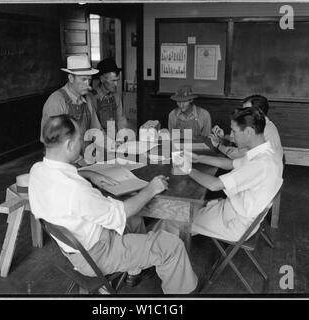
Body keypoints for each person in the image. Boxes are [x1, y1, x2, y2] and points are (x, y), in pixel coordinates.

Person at [29, 114, 199, 294]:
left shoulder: (37, 171)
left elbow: (64, 179)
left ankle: (136, 270)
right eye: (80, 139)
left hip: (76, 247)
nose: (82, 144)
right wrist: (151, 189)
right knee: (172, 247)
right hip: (98, 254)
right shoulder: (76, 191)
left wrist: (88, 173)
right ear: (69, 144)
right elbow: (122, 212)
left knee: (136, 220)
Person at [154, 106, 283, 242]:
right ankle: (152, 242)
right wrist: (199, 158)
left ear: (249, 132)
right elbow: (230, 164)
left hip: (235, 223)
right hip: (236, 210)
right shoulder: (266, 153)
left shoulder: (260, 164)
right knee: (186, 208)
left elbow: (215, 185)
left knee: (174, 217)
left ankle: (150, 252)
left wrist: (188, 169)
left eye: (234, 131)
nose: (231, 136)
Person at [40, 54, 103, 160]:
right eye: (83, 79)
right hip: (63, 162)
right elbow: (53, 142)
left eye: (89, 79)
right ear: (70, 78)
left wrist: (111, 146)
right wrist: (76, 159)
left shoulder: (87, 99)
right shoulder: (57, 101)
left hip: (86, 158)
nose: (88, 84)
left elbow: (96, 130)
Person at [211, 94, 283, 160]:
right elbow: (237, 140)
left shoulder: (263, 130)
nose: (241, 113)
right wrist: (223, 137)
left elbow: (236, 154)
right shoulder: (263, 124)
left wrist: (218, 145)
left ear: (257, 112)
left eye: (246, 110)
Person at [91, 58, 129, 134]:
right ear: (102, 79)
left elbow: (121, 119)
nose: (116, 84)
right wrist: (108, 143)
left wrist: (121, 137)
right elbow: (95, 127)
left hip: (114, 140)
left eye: (117, 80)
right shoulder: (92, 97)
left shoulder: (116, 96)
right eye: (113, 80)